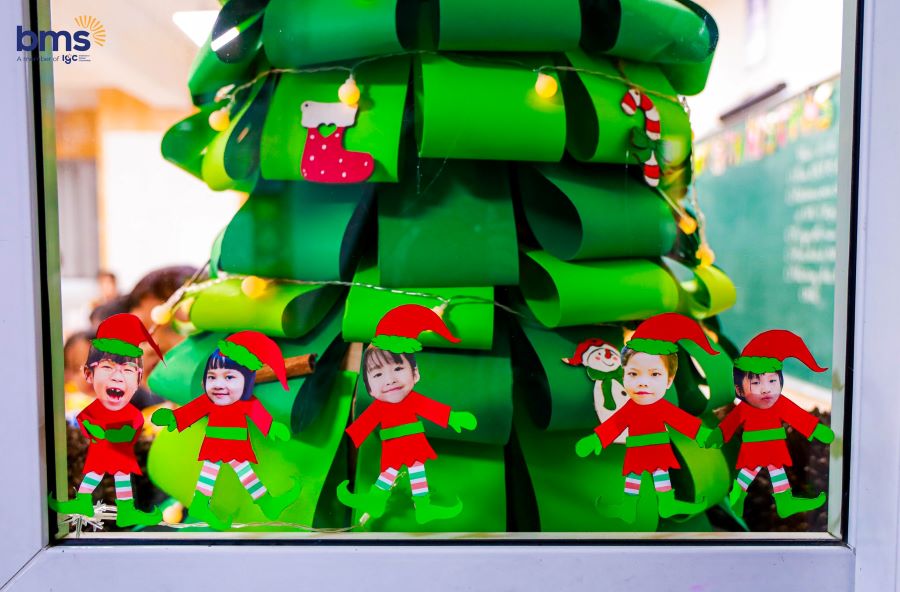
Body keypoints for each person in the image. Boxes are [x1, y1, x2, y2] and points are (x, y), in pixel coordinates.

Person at [336, 304, 478, 525]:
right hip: (394, 442)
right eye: (378, 374)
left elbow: (430, 408)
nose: (390, 380)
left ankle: (417, 507)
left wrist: (454, 418)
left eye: (398, 369)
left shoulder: (411, 399)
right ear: (370, 388)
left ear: (415, 374)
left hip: (412, 439)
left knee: (412, 470)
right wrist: (348, 437)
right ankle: (383, 502)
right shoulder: (379, 406)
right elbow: (364, 424)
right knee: (393, 471)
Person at [575, 313, 717, 523]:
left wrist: (702, 433)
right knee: (634, 478)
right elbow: (615, 424)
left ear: (669, 381)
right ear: (624, 374)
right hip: (638, 448)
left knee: (658, 476)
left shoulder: (661, 407)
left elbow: (681, 421)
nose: (643, 382)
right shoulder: (631, 407)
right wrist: (596, 439)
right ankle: (630, 507)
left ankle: (665, 503)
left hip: (657, 448)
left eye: (654, 374)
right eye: (634, 374)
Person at [151, 331, 300, 530]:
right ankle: (263, 503)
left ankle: (207, 504)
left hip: (233, 443)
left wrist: (271, 427)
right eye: (212, 377)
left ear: (246, 381)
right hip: (219, 442)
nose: (219, 384)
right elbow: (192, 411)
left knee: (231, 473)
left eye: (229, 377)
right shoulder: (210, 401)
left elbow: (258, 414)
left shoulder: (247, 402)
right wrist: (173, 418)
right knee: (227, 473)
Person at [702, 330, 835, 518]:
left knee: (774, 469)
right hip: (754, 445)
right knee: (751, 470)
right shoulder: (745, 408)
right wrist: (718, 436)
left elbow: (797, 416)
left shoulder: (780, 403)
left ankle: (782, 501)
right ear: (740, 389)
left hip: (774, 445)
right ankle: (740, 492)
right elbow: (729, 424)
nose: (765, 389)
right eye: (756, 383)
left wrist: (816, 429)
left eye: (772, 381)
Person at [49, 314, 164, 527]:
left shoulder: (132, 401)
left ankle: (125, 509)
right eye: (76, 367)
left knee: (120, 475)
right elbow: (85, 419)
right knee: (98, 472)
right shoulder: (76, 405)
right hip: (102, 450)